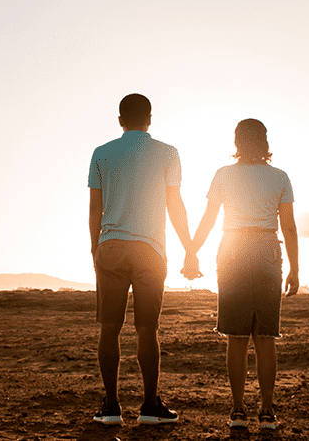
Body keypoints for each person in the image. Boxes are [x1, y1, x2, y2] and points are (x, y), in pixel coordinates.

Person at [186, 118, 299, 430]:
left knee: (236, 338)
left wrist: (192, 251)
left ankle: (237, 411)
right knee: (265, 337)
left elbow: (209, 219)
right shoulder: (280, 177)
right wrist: (295, 268)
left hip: (233, 247)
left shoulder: (223, 174)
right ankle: (266, 412)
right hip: (266, 248)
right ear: (264, 142)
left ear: (236, 143)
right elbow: (288, 227)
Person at [88, 93, 193, 425]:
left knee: (109, 329)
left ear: (120, 120)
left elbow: (95, 208)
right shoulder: (167, 153)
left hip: (111, 246)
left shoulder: (101, 154)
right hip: (150, 250)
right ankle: (150, 406)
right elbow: (175, 205)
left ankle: (110, 406)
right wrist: (189, 249)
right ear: (150, 118)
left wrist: (96, 250)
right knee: (148, 330)